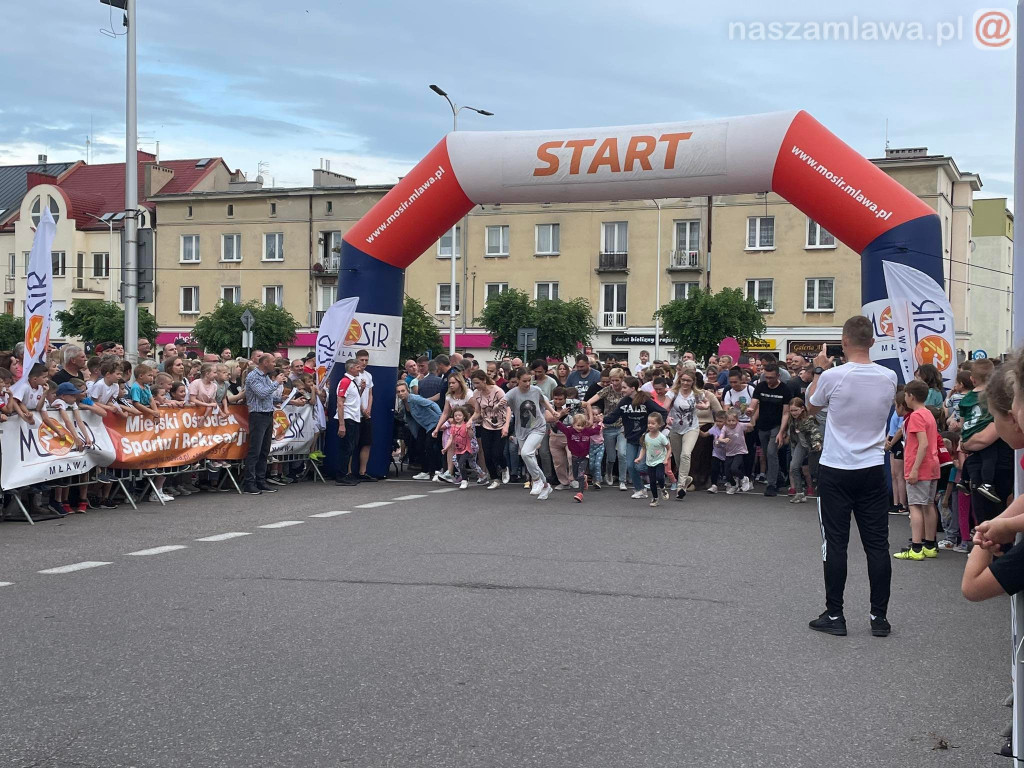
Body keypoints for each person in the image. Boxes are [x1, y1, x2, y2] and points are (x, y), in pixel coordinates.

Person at [806, 317, 898, 639]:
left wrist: (818, 370)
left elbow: (811, 406)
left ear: (843, 342)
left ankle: (835, 614)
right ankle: (879, 617)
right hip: (872, 468)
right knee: (877, 545)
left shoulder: (832, 375)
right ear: (871, 342)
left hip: (836, 468)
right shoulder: (889, 377)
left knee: (836, 544)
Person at [892, 380, 942, 561]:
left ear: (911, 396)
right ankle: (929, 544)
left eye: (905, 395)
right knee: (928, 505)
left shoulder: (916, 416)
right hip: (932, 465)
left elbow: (923, 444)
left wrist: (914, 469)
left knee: (915, 506)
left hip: (919, 467)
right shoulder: (928, 413)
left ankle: (916, 547)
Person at [603, 376, 668, 500]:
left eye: (624, 387)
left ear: (633, 388)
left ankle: (659, 472)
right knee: (630, 466)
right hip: (631, 438)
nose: (622, 390)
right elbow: (613, 417)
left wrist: (657, 428)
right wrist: (601, 419)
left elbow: (662, 412)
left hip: (644, 439)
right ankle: (640, 489)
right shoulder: (624, 402)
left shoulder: (645, 400)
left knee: (640, 466)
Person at [504, 367, 556, 500]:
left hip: (538, 426)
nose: (527, 384)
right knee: (529, 459)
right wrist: (500, 405)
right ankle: (545, 486)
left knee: (526, 453)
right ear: (518, 381)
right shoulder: (512, 393)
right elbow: (503, 402)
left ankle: (537, 480)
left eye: (529, 380)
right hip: (522, 430)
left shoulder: (536, 390)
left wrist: (553, 411)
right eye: (524, 381)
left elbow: (543, 401)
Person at [243, 354, 287, 495]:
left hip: (268, 414)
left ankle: (261, 480)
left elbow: (268, 396)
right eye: (273, 362)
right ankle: (249, 482)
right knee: (254, 450)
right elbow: (261, 393)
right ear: (265, 363)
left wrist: (283, 398)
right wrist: (277, 383)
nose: (275, 364)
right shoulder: (253, 376)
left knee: (264, 450)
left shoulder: (265, 377)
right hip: (257, 415)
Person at [749, 361, 791, 496]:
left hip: (777, 425)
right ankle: (779, 478)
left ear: (778, 376)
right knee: (768, 454)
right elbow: (755, 402)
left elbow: (786, 413)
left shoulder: (785, 389)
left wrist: (782, 431)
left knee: (772, 453)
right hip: (763, 425)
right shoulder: (761, 386)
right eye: (766, 377)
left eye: (771, 377)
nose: (768, 380)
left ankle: (771, 485)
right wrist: (750, 410)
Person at [468, 369, 511, 489]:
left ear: (484, 380)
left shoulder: (497, 391)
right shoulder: (476, 394)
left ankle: (504, 467)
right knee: (487, 453)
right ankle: (494, 478)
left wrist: (506, 426)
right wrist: (470, 420)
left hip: (501, 424)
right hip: (486, 424)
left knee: (497, 452)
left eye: (477, 383)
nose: (476, 386)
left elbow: (508, 408)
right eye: (474, 383)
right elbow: (477, 412)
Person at [551, 412, 602, 503]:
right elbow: (561, 427)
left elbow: (596, 431)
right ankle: (584, 479)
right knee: (575, 476)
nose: (580, 428)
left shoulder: (587, 431)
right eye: (578, 425)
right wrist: (556, 420)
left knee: (580, 475)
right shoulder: (569, 431)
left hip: (584, 457)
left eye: (582, 426)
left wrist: (600, 423)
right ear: (573, 424)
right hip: (574, 456)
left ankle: (580, 493)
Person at [398, 382, 443, 480]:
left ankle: (435, 471)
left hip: (433, 423)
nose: (401, 393)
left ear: (407, 390)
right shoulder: (402, 403)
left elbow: (432, 404)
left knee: (429, 446)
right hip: (423, 426)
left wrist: (440, 419)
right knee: (419, 446)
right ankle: (425, 471)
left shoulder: (414, 398)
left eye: (403, 391)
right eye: (398, 392)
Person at [667, 369, 700, 499]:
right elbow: (665, 407)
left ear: (693, 382)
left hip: (691, 428)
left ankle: (681, 486)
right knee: (678, 458)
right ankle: (686, 478)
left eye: (688, 380)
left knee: (686, 454)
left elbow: (707, 404)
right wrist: (666, 417)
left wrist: (705, 405)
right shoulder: (673, 393)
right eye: (683, 380)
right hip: (675, 428)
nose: (685, 383)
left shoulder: (697, 394)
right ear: (679, 380)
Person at [333, 358, 363, 487]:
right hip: (347, 418)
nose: (360, 369)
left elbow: (353, 400)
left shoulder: (352, 382)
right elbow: (340, 403)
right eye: (357, 367)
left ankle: (345, 473)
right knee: (346, 448)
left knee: (350, 448)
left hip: (353, 418)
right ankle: (341, 475)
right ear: (351, 368)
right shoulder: (345, 382)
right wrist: (341, 424)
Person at [786, 397, 822, 503]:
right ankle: (800, 493)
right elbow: (792, 432)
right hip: (801, 445)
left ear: (802, 408)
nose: (793, 413)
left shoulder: (809, 419)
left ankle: (825, 490)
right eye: (791, 410)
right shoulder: (792, 419)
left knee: (814, 471)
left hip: (813, 447)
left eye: (796, 410)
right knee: (794, 467)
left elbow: (815, 431)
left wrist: (817, 443)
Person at [635, 412, 672, 507]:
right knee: (652, 482)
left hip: (660, 461)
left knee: (660, 477)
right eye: (649, 423)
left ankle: (663, 488)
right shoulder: (646, 436)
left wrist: (666, 459)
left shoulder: (661, 437)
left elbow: (669, 448)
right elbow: (644, 448)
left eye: (653, 423)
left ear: (659, 425)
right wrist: (640, 458)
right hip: (650, 462)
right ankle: (655, 498)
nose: (650, 425)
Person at [352, 349, 377, 482]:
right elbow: (355, 396)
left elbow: (370, 394)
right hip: (355, 413)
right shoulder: (353, 376)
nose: (364, 362)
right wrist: (362, 409)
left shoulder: (368, 375)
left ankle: (363, 471)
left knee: (366, 443)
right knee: (353, 444)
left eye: (366, 360)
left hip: (367, 414)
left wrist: (368, 409)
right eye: (361, 360)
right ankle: (349, 472)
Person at [717, 409, 749, 494]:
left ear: (737, 420)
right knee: (727, 472)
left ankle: (743, 478)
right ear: (726, 421)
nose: (731, 423)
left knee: (734, 468)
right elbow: (720, 438)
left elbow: (752, 424)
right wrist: (723, 440)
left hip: (740, 451)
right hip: (729, 452)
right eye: (729, 421)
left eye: (733, 420)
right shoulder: (725, 428)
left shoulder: (741, 425)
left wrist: (751, 416)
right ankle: (734, 485)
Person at [706, 410, 728, 493]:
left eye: (720, 421)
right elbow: (705, 434)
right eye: (716, 421)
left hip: (727, 453)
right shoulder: (714, 428)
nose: (718, 423)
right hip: (716, 452)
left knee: (728, 469)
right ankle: (714, 485)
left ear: (725, 421)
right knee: (714, 468)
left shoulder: (728, 429)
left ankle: (731, 483)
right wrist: (696, 430)